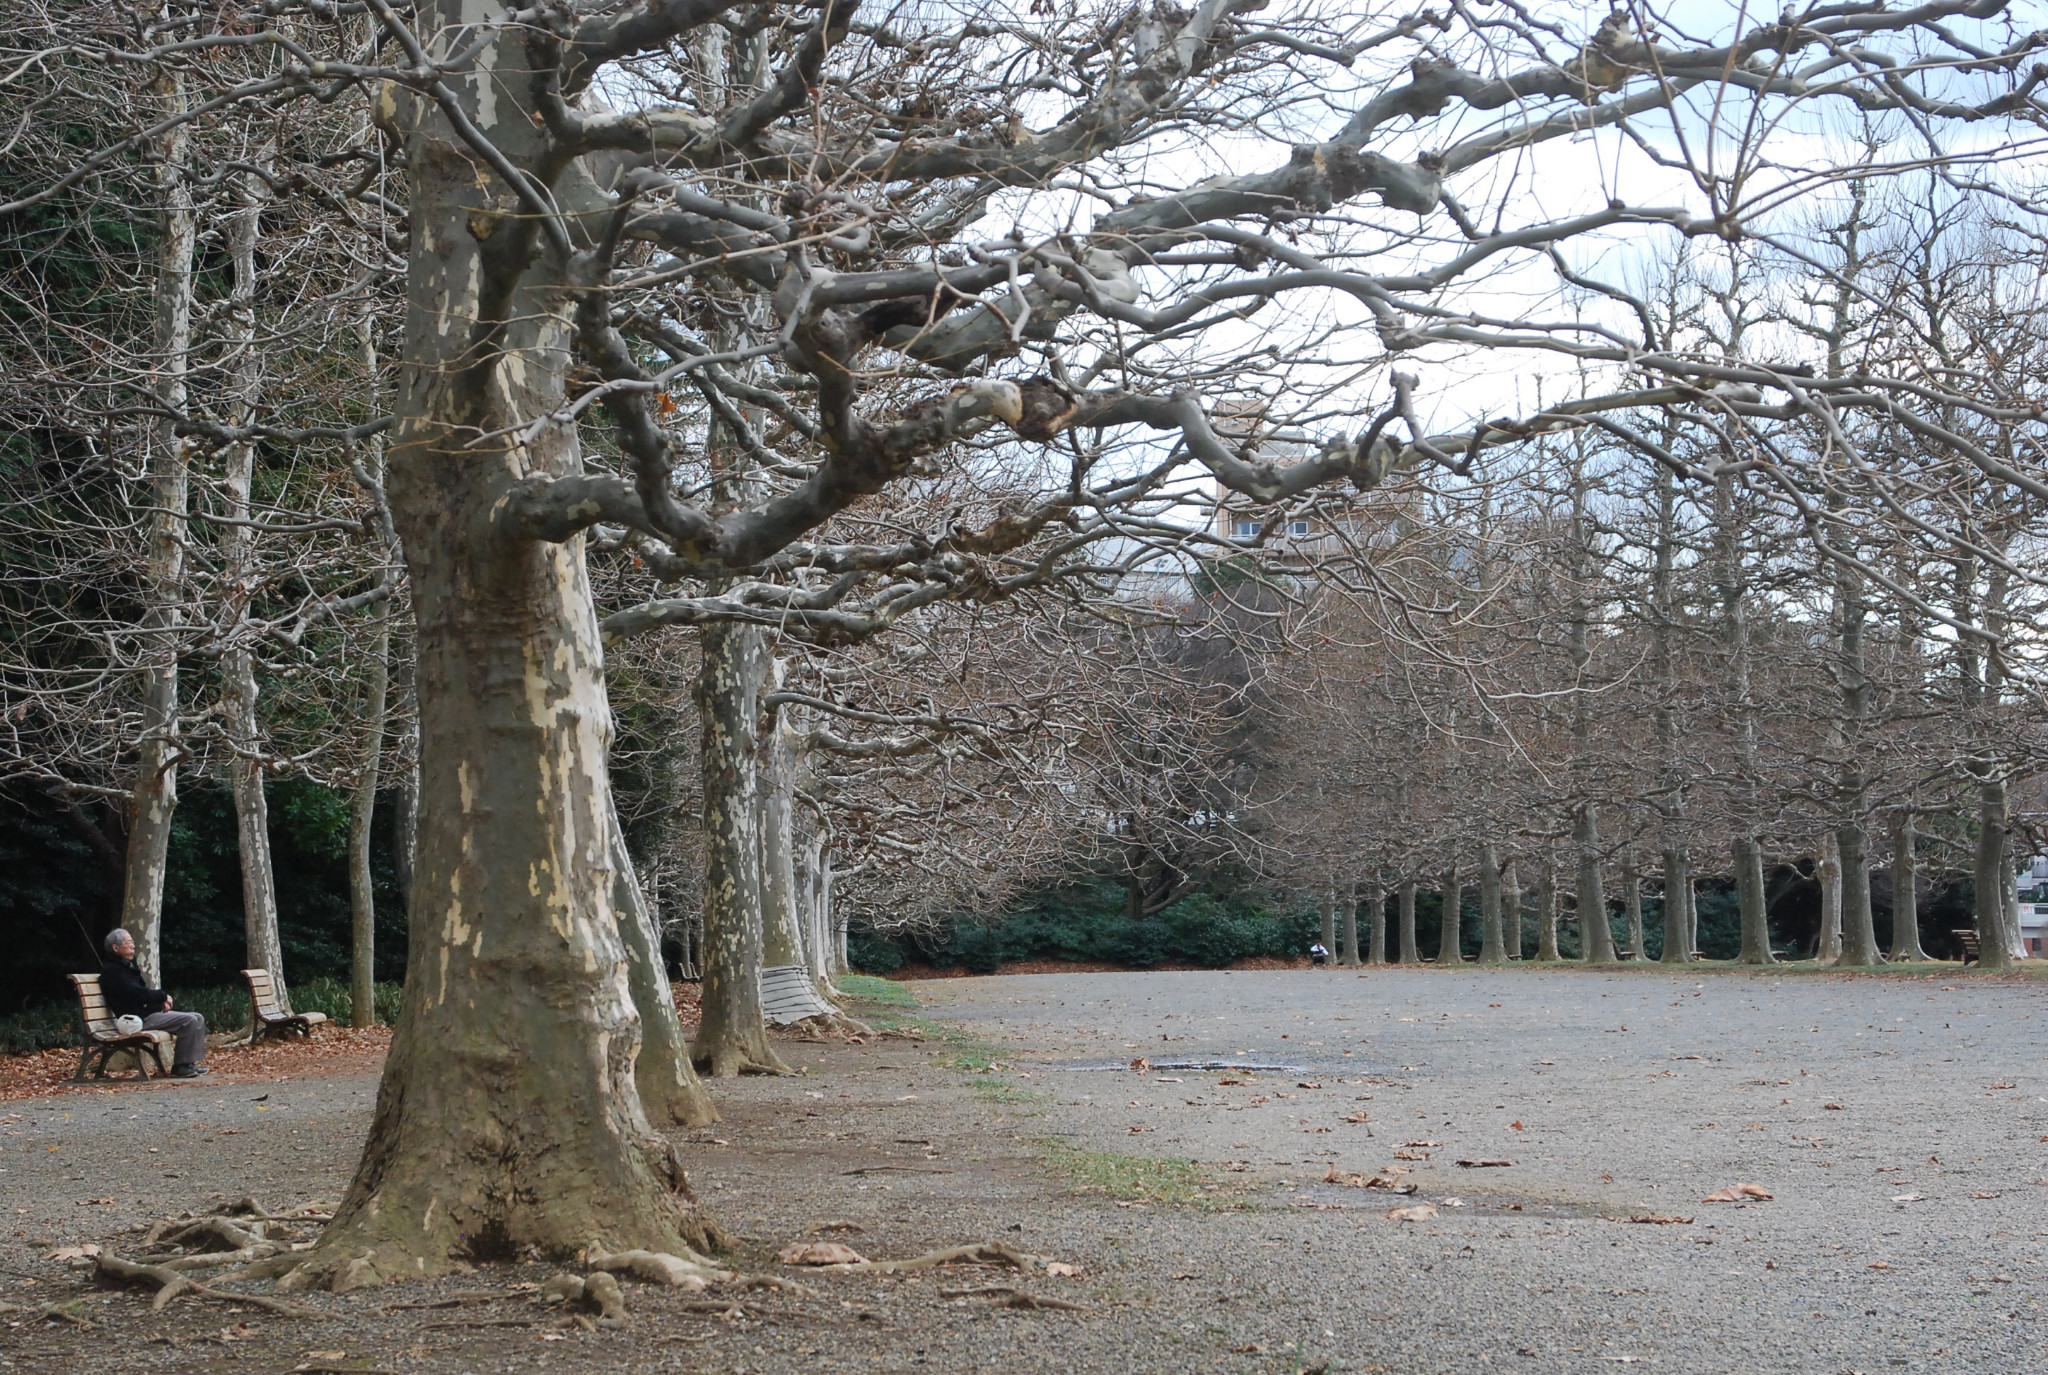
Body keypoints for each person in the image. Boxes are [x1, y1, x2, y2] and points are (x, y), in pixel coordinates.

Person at [99, 929, 208, 1078]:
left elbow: (140, 994)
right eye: (128, 942)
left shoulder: (127, 966)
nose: (133, 945)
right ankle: (180, 1067)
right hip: (135, 1020)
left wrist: (159, 1002)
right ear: (116, 948)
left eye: (132, 942)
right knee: (189, 1020)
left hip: (145, 1014)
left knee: (198, 1017)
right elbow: (137, 995)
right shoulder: (113, 971)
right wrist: (162, 996)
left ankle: (189, 1063)